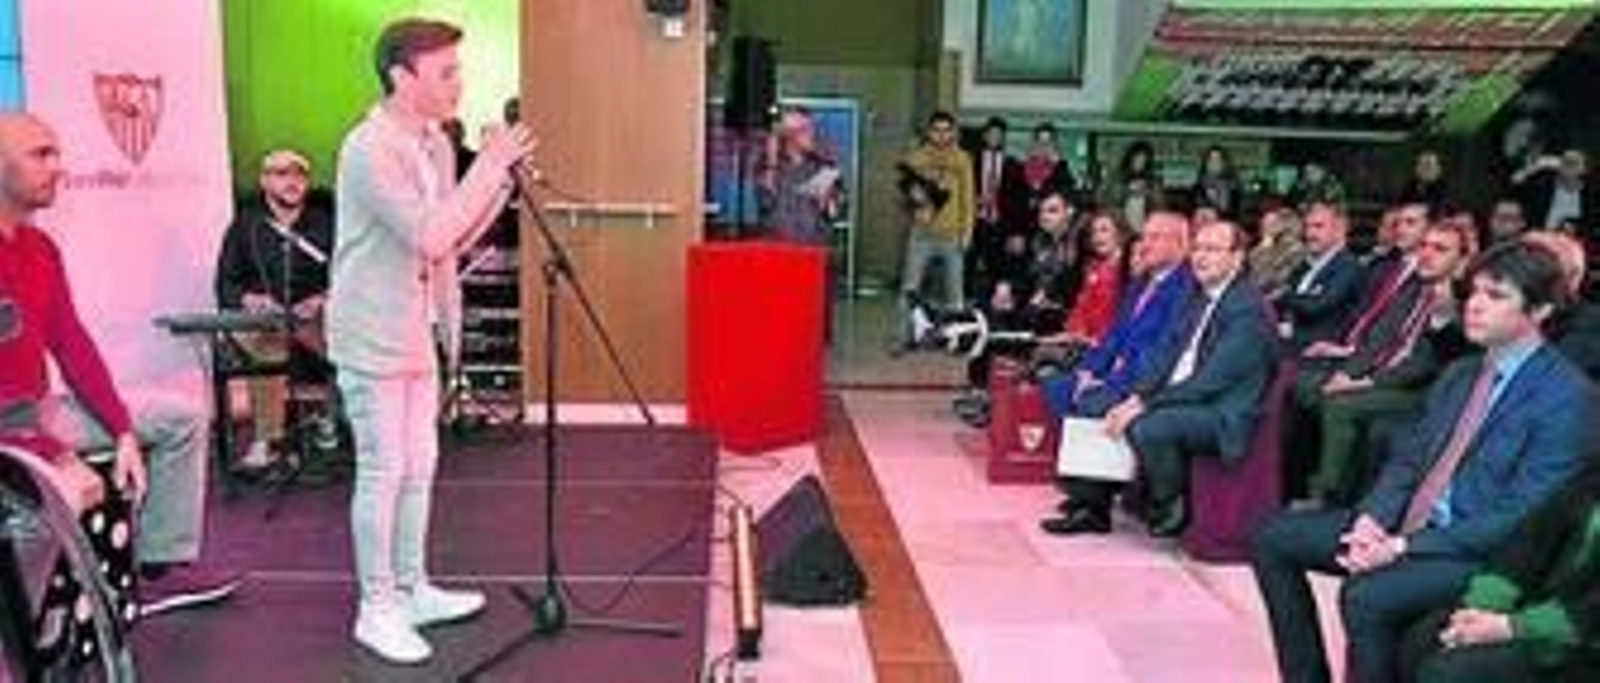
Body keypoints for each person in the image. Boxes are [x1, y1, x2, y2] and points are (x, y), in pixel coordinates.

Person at [1251, 241, 1597, 683]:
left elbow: (1524, 518)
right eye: (1474, 292)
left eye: (1496, 296)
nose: (1474, 305)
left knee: (1367, 595)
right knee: (1272, 537)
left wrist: (1401, 548)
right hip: (1409, 526)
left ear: (1540, 311)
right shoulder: (1461, 373)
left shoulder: (1568, 397)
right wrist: (1372, 520)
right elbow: (1409, 460)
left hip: (1481, 552)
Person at [329, 17, 534, 664]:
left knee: (421, 466)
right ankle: (376, 606)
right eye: (445, 72)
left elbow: (454, 238)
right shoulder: (369, 148)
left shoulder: (437, 145)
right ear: (401, 76)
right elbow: (428, 233)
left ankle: (412, 587)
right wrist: (489, 165)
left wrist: (500, 181)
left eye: (457, 70)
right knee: (383, 469)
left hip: (419, 329)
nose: (458, 83)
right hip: (371, 332)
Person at [0, 113, 241, 630]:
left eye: (56, 154)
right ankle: (27, 623)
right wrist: (52, 453)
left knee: (179, 417)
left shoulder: (40, 249)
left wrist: (122, 428)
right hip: (11, 428)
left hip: (37, 414)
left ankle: (159, 567)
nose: (57, 167)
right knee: (69, 492)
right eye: (40, 155)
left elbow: (71, 345)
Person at [1050, 220, 1274, 538]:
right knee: (1106, 404)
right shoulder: (1196, 297)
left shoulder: (1247, 309)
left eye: (1212, 250)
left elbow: (1210, 381)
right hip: (1183, 394)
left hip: (1221, 410)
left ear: (1237, 259)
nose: (1201, 257)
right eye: (1198, 248)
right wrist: (1136, 396)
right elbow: (1164, 357)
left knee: (1148, 425)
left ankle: (1169, 501)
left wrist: (1144, 404)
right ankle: (1091, 503)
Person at [1399, 458, 1600, 682]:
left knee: (1453, 671)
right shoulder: (1590, 477)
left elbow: (1589, 614)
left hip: (1581, 638)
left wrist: (1511, 627)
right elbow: (1530, 541)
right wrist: (1479, 607)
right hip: (1538, 610)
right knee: (1424, 639)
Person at [214, 148, 335, 469]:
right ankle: (266, 440)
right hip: (265, 322)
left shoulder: (325, 224)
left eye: (299, 174)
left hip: (313, 319)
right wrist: (250, 299)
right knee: (266, 340)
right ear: (265, 181)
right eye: (282, 174)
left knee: (353, 335)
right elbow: (226, 283)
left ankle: (335, 420)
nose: (292, 182)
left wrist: (323, 298)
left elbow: (349, 274)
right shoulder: (246, 226)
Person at [898, 111, 975, 345]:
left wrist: (967, 233)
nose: (941, 135)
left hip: (952, 236)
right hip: (921, 235)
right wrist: (916, 204)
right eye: (937, 130)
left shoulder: (962, 159)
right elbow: (906, 196)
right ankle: (904, 336)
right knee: (910, 289)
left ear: (953, 133)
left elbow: (968, 199)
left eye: (946, 130)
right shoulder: (916, 158)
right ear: (930, 132)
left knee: (955, 294)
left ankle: (956, 339)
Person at [758, 106, 842, 246]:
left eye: (812, 129)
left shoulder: (823, 166)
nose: (812, 135)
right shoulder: (769, 165)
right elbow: (765, 201)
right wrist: (772, 159)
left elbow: (834, 213)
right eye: (805, 130)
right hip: (779, 249)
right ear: (790, 136)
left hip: (813, 248)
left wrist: (828, 201)